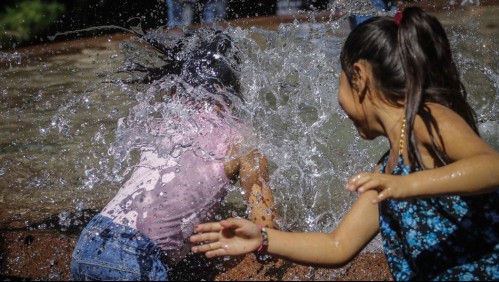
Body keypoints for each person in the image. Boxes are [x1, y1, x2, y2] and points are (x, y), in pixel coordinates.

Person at [190, 7, 499, 281]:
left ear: (359, 76)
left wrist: (408, 185)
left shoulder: (426, 118)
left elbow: (492, 166)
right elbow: (337, 245)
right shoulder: (389, 167)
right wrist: (262, 238)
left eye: (340, 80)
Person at [70, 29, 278, 281]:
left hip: (90, 240)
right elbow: (264, 225)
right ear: (232, 88)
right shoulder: (241, 140)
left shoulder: (167, 122)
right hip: (135, 257)